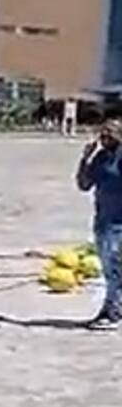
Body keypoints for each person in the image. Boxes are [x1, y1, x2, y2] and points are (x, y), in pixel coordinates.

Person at [77, 119, 122, 329]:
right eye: (102, 134)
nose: (104, 138)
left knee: (115, 267)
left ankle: (114, 313)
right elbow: (84, 184)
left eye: (110, 133)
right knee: (108, 269)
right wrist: (85, 159)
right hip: (103, 221)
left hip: (120, 223)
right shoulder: (102, 158)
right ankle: (110, 309)